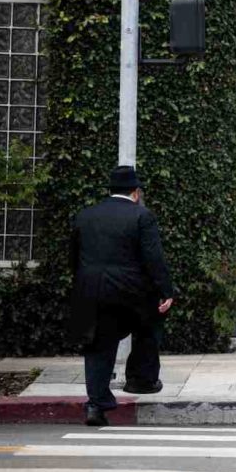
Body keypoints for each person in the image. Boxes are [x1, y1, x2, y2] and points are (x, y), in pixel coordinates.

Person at [69, 166, 174, 427]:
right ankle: (141, 379)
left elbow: (73, 257)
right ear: (136, 192)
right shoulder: (142, 216)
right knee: (150, 324)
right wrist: (165, 291)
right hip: (130, 293)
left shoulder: (86, 215)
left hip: (91, 291)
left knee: (97, 346)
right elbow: (153, 259)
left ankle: (95, 405)